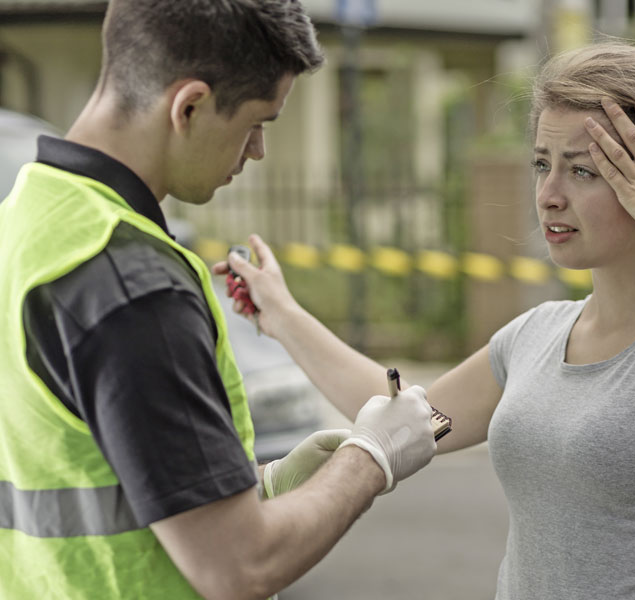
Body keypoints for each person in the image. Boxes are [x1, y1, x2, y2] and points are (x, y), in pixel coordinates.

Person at [217, 41, 635, 599]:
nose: (549, 195)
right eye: (541, 164)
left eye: (583, 170)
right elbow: (403, 415)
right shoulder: (536, 333)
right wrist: (283, 315)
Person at [0, 1, 437, 599]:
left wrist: (269, 483)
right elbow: (238, 566)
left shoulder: (25, 220)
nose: (257, 151)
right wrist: (371, 456)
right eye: (258, 122)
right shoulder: (132, 283)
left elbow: (91, 470)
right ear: (190, 106)